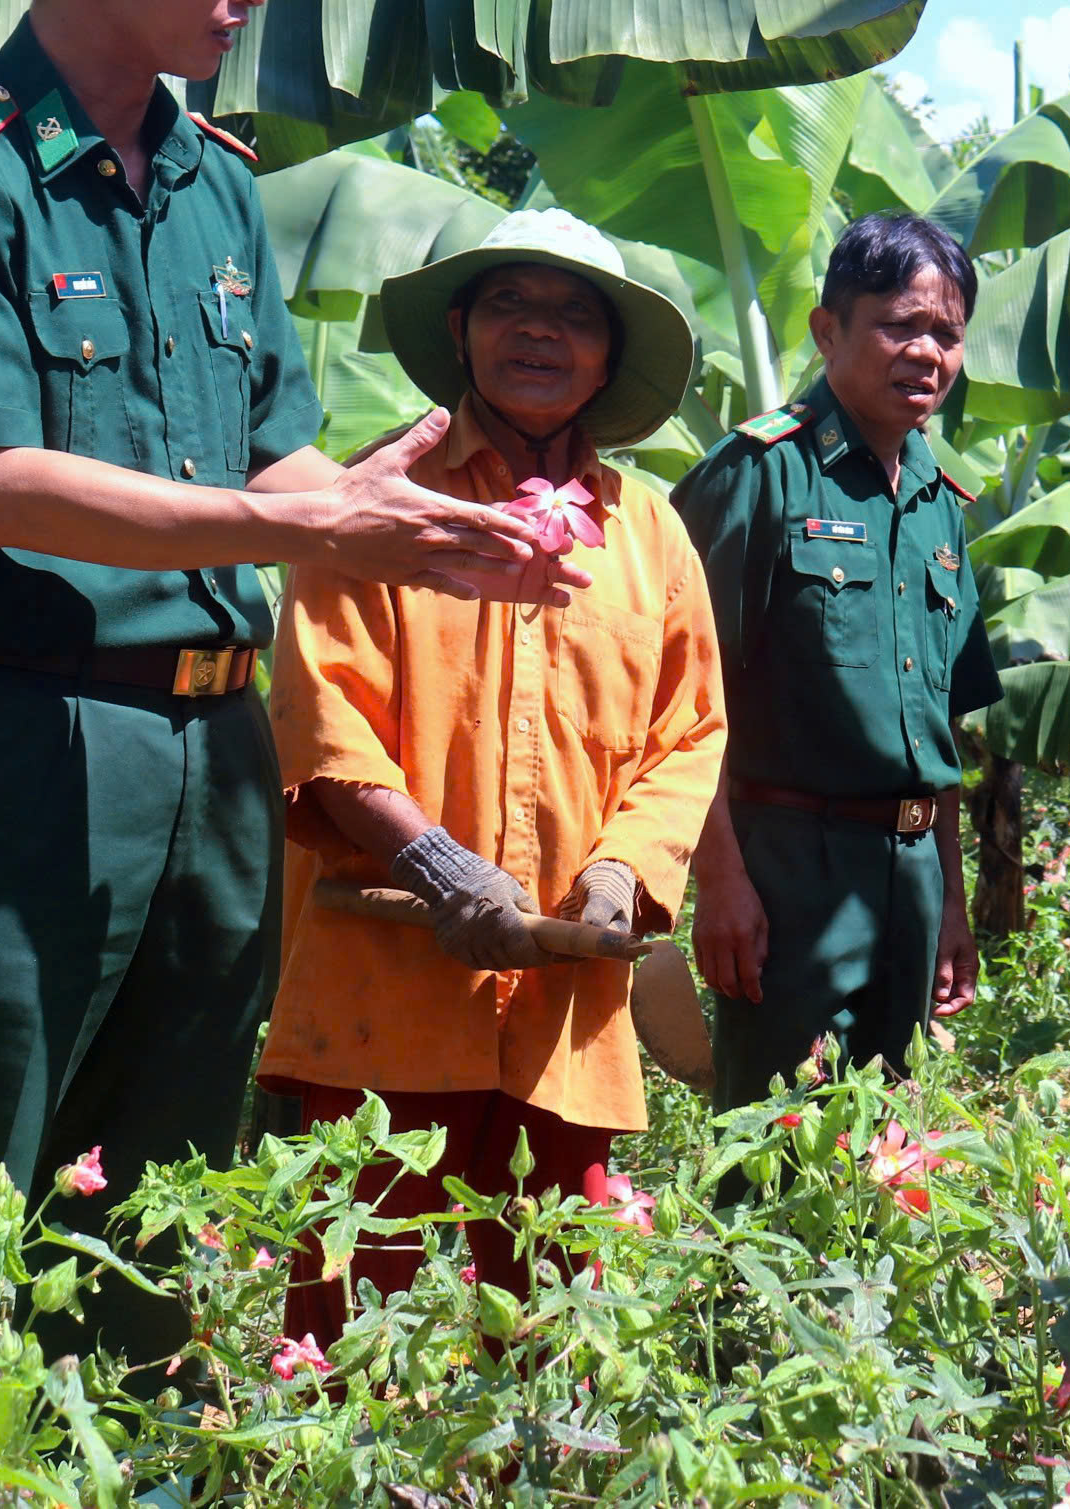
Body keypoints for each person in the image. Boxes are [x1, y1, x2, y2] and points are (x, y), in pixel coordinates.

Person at [0, 0, 568, 1374]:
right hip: (25, 744)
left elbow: (275, 462)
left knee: (148, 1220)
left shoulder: (218, 189)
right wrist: (310, 522)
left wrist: (436, 530)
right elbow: (0, 486)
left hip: (221, 759)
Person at [258, 208, 724, 1334]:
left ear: (609, 357)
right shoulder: (380, 502)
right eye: (512, 303)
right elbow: (322, 712)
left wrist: (625, 872)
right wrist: (431, 859)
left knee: (553, 1339)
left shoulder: (650, 534)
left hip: (566, 1009)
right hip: (388, 995)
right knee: (355, 1337)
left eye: (575, 316)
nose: (542, 332)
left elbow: (689, 731)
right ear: (461, 328)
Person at [674, 213, 1001, 1113]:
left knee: (891, 1148)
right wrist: (722, 881)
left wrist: (953, 904)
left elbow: (937, 728)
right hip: (787, 869)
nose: (925, 353)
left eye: (947, 333)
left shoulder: (941, 500)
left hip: (911, 870)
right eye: (900, 325)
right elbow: (683, 699)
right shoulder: (759, 473)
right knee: (773, 1141)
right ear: (829, 330)